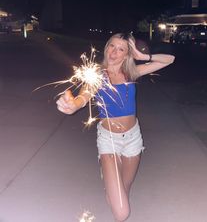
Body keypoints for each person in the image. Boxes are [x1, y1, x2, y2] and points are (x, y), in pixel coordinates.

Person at [56, 33, 175, 221]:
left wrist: (143, 57)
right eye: (112, 46)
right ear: (106, 47)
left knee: (123, 191)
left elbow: (170, 59)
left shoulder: (132, 72)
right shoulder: (97, 75)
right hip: (109, 141)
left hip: (133, 139)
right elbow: (83, 96)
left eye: (121, 49)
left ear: (127, 54)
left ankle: (112, 188)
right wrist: (73, 105)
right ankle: (110, 185)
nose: (115, 52)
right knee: (122, 211)